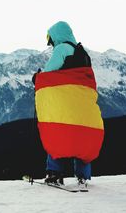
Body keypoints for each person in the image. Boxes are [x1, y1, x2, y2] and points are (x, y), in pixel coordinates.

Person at [32, 21, 97, 187]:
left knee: (57, 134)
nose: (50, 43)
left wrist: (37, 78)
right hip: (82, 104)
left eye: (50, 38)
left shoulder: (62, 49)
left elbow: (49, 73)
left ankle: (54, 174)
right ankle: (83, 177)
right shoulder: (83, 53)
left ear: (57, 36)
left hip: (65, 104)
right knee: (82, 137)